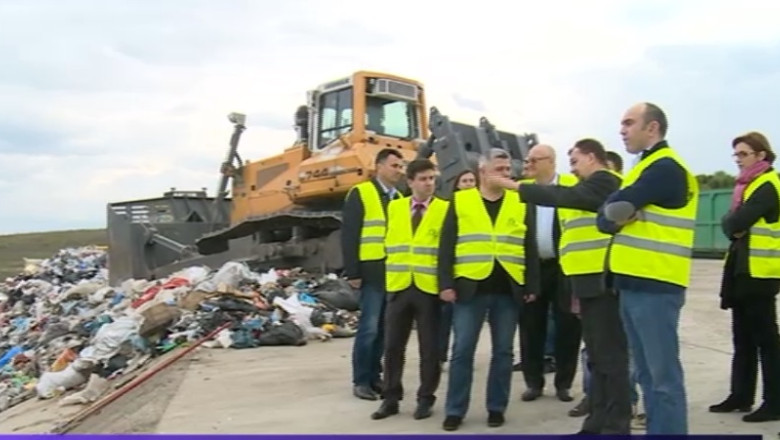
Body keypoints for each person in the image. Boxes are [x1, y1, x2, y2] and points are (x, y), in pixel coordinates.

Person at [488, 139, 631, 433]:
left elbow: (570, 198)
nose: (573, 169)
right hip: (586, 280)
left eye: (576, 161)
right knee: (598, 357)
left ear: (592, 158)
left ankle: (615, 426)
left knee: (609, 359)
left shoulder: (606, 181)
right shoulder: (590, 185)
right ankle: (597, 422)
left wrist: (517, 187)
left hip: (603, 281)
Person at [597, 102, 699, 435]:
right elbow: (606, 217)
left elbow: (612, 211)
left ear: (652, 128)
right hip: (634, 284)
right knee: (645, 374)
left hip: (656, 284)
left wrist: (618, 213)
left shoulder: (665, 168)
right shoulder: (643, 168)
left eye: (629, 123)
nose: (622, 130)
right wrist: (618, 213)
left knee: (662, 378)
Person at [437, 148, 540, 431]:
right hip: (469, 288)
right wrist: (444, 283)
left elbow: (528, 246)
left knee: (504, 352)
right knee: (462, 351)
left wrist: (531, 284)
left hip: (508, 289)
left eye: (509, 170)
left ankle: (496, 407)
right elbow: (446, 246)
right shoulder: (460, 200)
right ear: (482, 171)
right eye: (500, 169)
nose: (506, 174)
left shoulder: (520, 201)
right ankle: (455, 410)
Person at [709, 131, 780, 423]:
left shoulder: (767, 185)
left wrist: (734, 223)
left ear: (761, 155)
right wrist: (733, 224)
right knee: (743, 338)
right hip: (742, 270)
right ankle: (740, 395)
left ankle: (775, 401)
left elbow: (735, 221)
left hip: (760, 273)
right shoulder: (747, 186)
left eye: (743, 154)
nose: (738, 160)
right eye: (736, 155)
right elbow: (732, 225)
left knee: (766, 340)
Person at [371, 159, 449, 421]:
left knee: (430, 349)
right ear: (411, 182)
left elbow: (447, 252)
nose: (429, 183)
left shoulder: (445, 209)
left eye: (432, 179)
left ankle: (426, 398)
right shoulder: (394, 208)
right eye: (424, 179)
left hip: (428, 288)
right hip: (399, 286)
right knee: (392, 347)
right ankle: (390, 398)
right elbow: (388, 244)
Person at [516, 144, 581, 403]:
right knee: (531, 326)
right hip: (533, 268)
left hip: (564, 267)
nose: (529, 164)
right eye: (528, 159)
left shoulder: (571, 186)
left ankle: (563, 383)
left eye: (534, 159)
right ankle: (534, 382)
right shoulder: (522, 191)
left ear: (550, 161)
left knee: (568, 325)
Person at [342, 148, 405, 400]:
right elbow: (350, 234)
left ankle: (375, 375)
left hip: (392, 272)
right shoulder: (361, 193)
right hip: (370, 272)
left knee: (383, 329)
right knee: (368, 328)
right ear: (379, 166)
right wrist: (353, 271)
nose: (399, 171)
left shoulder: (400, 198)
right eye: (394, 166)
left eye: (401, 167)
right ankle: (361, 380)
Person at [439, 170, 478, 369]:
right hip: (452, 274)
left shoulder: (479, 208)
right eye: (464, 181)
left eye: (472, 180)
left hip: (468, 274)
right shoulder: (450, 205)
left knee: (462, 324)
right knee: (445, 318)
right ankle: (442, 355)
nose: (469, 184)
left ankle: (458, 355)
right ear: (457, 184)